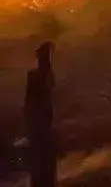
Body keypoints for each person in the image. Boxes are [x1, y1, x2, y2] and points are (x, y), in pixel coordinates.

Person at [24, 41, 56, 187]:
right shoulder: (39, 76)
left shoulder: (44, 75)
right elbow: (32, 101)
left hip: (41, 123)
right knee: (42, 161)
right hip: (39, 123)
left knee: (43, 161)